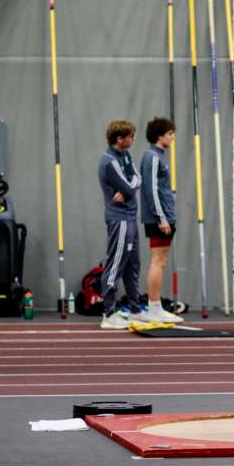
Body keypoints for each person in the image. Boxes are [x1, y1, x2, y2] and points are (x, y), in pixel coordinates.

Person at [98, 120, 143, 329]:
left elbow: (137, 178)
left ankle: (135, 309)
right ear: (120, 139)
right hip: (119, 218)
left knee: (133, 264)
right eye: (131, 137)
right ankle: (108, 313)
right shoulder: (109, 162)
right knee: (115, 263)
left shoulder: (125, 155)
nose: (133, 140)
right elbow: (132, 187)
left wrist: (127, 189)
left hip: (130, 217)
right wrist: (129, 189)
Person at [139, 118, 183, 323]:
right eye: (170, 133)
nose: (173, 137)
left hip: (165, 216)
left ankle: (155, 307)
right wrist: (161, 217)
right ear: (159, 136)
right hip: (160, 218)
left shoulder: (159, 157)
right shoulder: (152, 157)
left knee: (161, 261)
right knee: (158, 261)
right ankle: (154, 308)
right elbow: (150, 190)